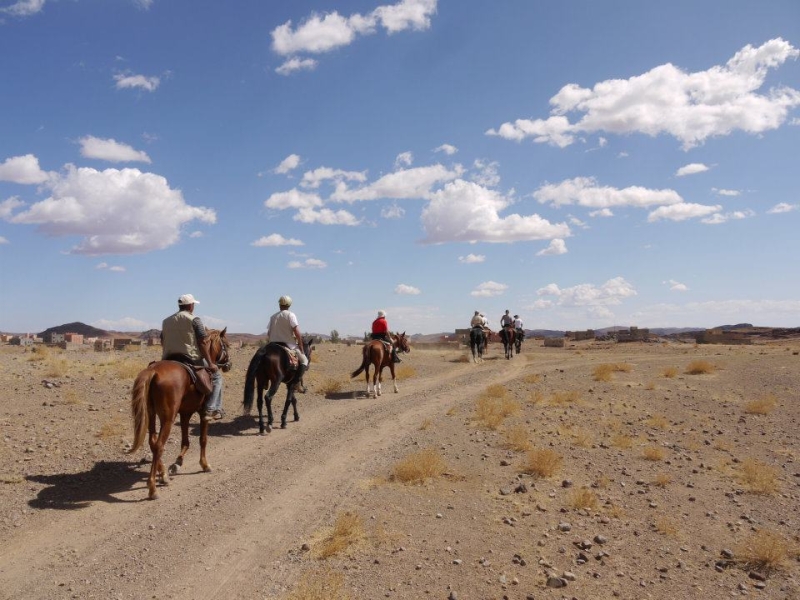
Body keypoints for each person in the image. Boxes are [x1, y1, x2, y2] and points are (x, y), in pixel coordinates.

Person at [161, 293, 224, 421]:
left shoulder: (166, 321)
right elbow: (202, 342)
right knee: (217, 376)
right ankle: (211, 408)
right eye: (193, 304)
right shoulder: (194, 319)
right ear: (191, 306)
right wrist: (210, 362)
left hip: (168, 358)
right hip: (190, 357)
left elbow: (162, 339)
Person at [266, 295, 309, 381]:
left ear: (279, 305)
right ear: (289, 305)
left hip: (272, 344)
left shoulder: (272, 317)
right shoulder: (290, 315)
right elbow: (297, 332)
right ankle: (296, 382)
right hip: (288, 344)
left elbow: (268, 333)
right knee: (304, 360)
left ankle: (264, 382)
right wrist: (301, 347)